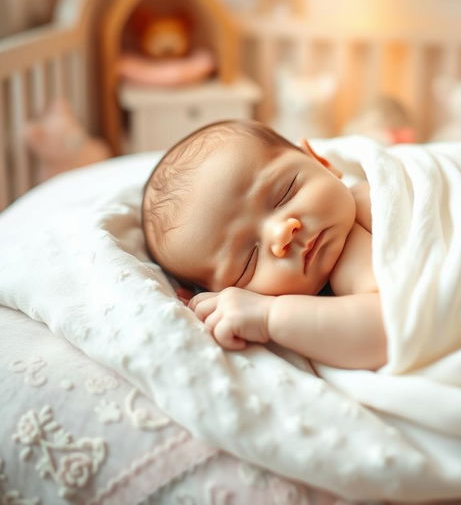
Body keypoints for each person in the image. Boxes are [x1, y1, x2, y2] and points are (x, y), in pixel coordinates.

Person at [142, 119, 387, 370]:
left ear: (320, 161)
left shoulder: (374, 203)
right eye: (248, 261)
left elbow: (392, 328)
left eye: (285, 193)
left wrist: (269, 315)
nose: (282, 233)